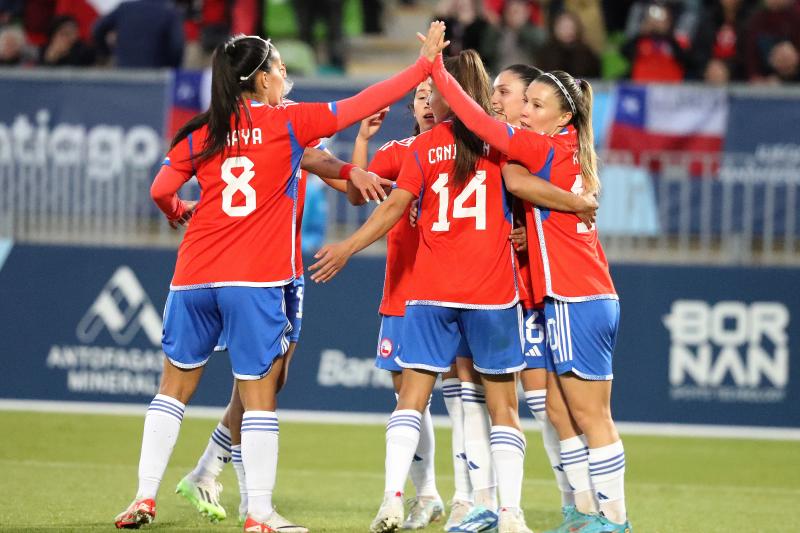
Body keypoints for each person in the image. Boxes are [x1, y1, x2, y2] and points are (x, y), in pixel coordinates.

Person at [113, 22, 449, 532]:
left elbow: (161, 188)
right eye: (277, 65)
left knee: (171, 390)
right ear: (262, 81)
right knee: (260, 394)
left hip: (194, 275)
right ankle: (260, 513)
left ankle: (143, 497)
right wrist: (423, 67)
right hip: (254, 279)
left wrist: (178, 208)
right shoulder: (285, 121)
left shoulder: (202, 131)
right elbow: (359, 103)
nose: (284, 72)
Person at [429, 55, 632, 532]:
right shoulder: (562, 148)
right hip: (570, 293)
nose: (524, 112)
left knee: (591, 415)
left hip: (576, 292)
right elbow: (515, 180)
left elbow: (481, 125)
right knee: (561, 410)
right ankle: (583, 512)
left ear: (564, 117)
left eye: (536, 105)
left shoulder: (547, 149)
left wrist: (436, 72)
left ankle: (615, 519)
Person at [490, 63, 598, 533]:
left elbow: (540, 194)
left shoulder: (537, 147)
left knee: (559, 405)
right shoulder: (516, 144)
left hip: (542, 287)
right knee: (546, 407)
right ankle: (566, 505)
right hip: (508, 288)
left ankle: (584, 503)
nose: (500, 101)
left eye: (511, 94)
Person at [348, 83, 446, 530]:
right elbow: (354, 191)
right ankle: (426, 493)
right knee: (408, 397)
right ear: (412, 107)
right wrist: (363, 144)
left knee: (470, 397)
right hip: (403, 292)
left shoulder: (470, 149)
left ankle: (471, 498)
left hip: (456, 292)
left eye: (435, 95)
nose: (428, 103)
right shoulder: (399, 149)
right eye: (421, 97)